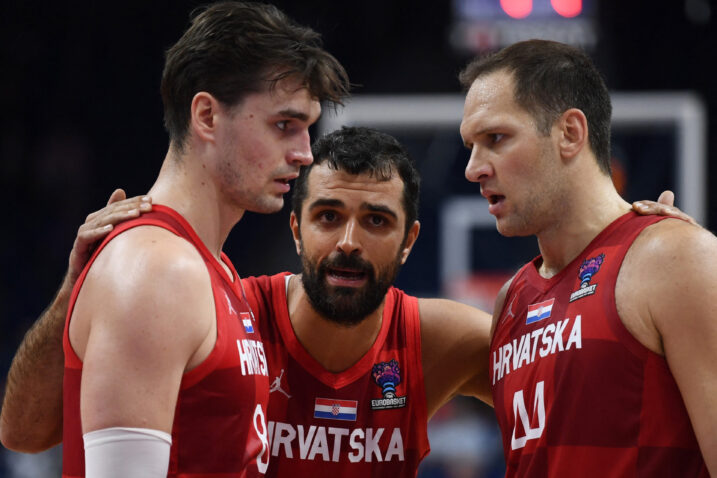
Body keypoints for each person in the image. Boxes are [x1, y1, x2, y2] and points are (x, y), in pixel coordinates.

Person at [1, 124, 691, 477]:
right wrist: (76, 293)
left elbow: (594, 368)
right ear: (296, 226)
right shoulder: (216, 313)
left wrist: (632, 247)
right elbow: (25, 432)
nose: (349, 243)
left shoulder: (436, 340)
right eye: (328, 216)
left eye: (377, 222)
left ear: (411, 240)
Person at [0, 2, 349, 477]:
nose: (306, 153)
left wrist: (70, 298)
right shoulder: (157, 271)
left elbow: (22, 433)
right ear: (206, 116)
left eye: (307, 129)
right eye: (284, 126)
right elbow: (26, 437)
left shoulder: (208, 266)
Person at [458, 39, 717, 476]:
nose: (473, 168)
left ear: (570, 133)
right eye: (470, 146)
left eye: (495, 138)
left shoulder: (673, 258)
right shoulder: (511, 300)